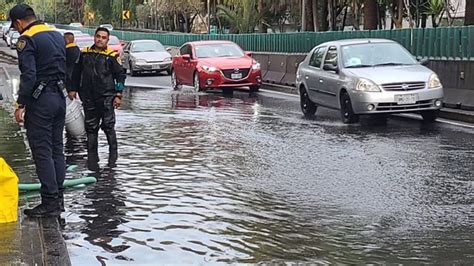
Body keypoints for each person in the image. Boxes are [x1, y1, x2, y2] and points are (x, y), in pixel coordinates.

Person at [10, 4, 67, 217]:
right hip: (60, 99)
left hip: (41, 100)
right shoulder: (56, 34)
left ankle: (49, 202)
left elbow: (29, 76)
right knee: (56, 149)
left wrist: (21, 104)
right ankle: (58, 198)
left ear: (18, 23)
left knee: (42, 151)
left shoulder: (27, 39)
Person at [70, 27, 125, 170]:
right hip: (88, 97)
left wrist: (118, 95)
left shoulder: (112, 56)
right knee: (91, 127)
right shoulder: (85, 53)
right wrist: (73, 89)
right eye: (98, 36)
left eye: (103, 37)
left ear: (107, 39)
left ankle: (113, 159)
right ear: (94, 37)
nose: (100, 40)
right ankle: (92, 159)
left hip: (107, 96)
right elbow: (76, 72)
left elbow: (120, 76)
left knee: (108, 126)